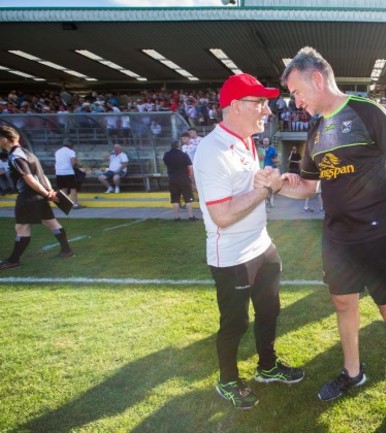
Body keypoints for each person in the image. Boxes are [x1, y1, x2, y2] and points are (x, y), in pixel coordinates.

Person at [269, 46, 386, 412]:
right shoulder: (314, 130)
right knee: (343, 303)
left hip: (378, 234)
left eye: (297, 92)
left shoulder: (367, 111)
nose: (296, 103)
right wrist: (276, 183)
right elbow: (309, 186)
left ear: (317, 79)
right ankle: (352, 371)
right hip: (337, 237)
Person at [193, 73, 304, 410]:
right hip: (231, 255)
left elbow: (245, 190)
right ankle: (227, 381)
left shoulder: (246, 141)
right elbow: (223, 215)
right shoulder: (211, 150)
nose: (267, 111)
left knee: (270, 310)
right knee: (235, 323)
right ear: (237, 106)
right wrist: (264, 189)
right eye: (260, 103)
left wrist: (265, 181)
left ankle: (267, 367)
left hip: (261, 245)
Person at [0, 125, 74, 271]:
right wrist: (49, 191)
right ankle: (67, 251)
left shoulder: (16, 156)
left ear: (3, 139)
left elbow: (30, 179)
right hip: (39, 195)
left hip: (29, 195)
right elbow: (41, 175)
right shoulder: (28, 153)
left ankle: (13, 260)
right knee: (51, 223)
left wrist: (48, 193)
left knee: (21, 227)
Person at [163, 140, 197, 222]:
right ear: (179, 146)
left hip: (172, 179)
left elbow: (166, 163)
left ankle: (177, 218)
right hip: (184, 178)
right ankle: (191, 217)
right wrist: (191, 177)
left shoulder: (166, 155)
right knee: (188, 198)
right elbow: (190, 167)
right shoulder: (184, 155)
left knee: (175, 199)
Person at [54, 142, 83, 209]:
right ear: (71, 146)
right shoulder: (71, 151)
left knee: (63, 188)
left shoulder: (57, 151)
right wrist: (77, 168)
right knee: (73, 188)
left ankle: (65, 204)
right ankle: (75, 204)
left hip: (59, 172)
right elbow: (73, 162)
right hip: (68, 172)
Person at [261, 137, 279, 208]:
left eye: (267, 141)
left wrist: (275, 160)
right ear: (262, 142)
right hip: (262, 170)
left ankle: (271, 201)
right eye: (264, 141)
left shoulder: (272, 149)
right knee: (264, 186)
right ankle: (265, 201)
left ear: (269, 142)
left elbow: (277, 160)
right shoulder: (260, 150)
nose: (265, 142)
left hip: (271, 169)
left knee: (271, 186)